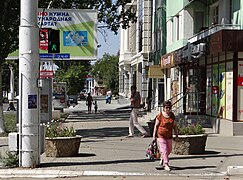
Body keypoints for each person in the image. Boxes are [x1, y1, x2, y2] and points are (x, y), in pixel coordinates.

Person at [152, 101, 179, 171]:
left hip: (169, 135)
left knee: (169, 150)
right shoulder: (160, 115)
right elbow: (156, 126)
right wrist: (154, 136)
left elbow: (174, 126)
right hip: (161, 135)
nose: (168, 109)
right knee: (164, 150)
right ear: (163, 108)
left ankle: (162, 158)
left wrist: (176, 135)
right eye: (166, 108)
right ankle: (166, 164)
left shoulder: (172, 115)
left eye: (169, 108)